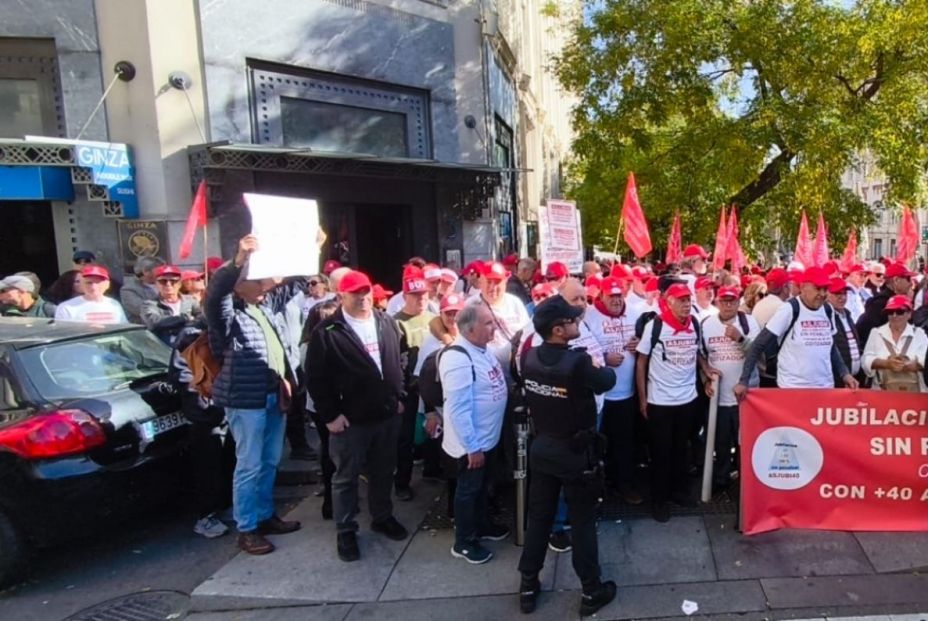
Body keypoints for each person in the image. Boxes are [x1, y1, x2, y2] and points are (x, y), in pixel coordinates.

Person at [517, 295, 617, 616]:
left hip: (543, 447)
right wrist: (596, 364)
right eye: (573, 321)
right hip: (574, 453)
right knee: (582, 522)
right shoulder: (578, 362)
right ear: (559, 330)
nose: (578, 323)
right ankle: (591, 590)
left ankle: (528, 585)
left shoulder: (529, 356)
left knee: (539, 519)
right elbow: (607, 381)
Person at [205, 236, 304, 556]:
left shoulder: (262, 307)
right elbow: (215, 292)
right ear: (239, 284)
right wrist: (238, 259)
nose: (265, 285)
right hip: (246, 401)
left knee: (270, 460)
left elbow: (293, 282)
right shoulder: (227, 314)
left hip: (273, 397)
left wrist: (309, 249)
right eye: (256, 279)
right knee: (249, 464)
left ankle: (264, 515)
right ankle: (246, 528)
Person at [306, 270, 409, 563]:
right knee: (346, 477)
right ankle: (346, 529)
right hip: (350, 421)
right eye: (355, 293)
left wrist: (399, 397)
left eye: (366, 291)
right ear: (341, 296)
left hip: (386, 415)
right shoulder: (327, 332)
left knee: (382, 470)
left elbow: (397, 362)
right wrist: (330, 415)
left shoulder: (385, 321)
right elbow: (316, 379)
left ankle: (382, 516)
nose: (363, 297)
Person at [636, 283, 719, 522]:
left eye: (688, 299)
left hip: (687, 399)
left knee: (681, 449)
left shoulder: (693, 323)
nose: (685, 304)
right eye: (680, 300)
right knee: (661, 453)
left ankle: (678, 493)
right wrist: (643, 399)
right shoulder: (656, 326)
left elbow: (697, 352)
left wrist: (706, 368)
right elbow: (641, 362)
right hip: (660, 401)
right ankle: (659, 500)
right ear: (669, 302)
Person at [439, 303, 510, 564]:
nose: (494, 326)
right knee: (468, 491)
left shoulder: (482, 349)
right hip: (471, 445)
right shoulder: (458, 357)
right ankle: (465, 541)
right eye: (488, 323)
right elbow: (458, 409)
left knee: (481, 488)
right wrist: (472, 446)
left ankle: (482, 526)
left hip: (487, 439)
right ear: (470, 329)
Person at [735, 267, 858, 398]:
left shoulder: (828, 310)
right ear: (803, 287)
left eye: (825, 289)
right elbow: (759, 345)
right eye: (818, 288)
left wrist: (845, 374)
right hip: (793, 389)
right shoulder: (789, 309)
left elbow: (831, 347)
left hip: (824, 388)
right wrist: (744, 381)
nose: (822, 294)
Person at [584, 276, 642, 504]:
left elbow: (645, 341)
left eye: (619, 295)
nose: (617, 300)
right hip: (600, 397)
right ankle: (597, 489)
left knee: (624, 443)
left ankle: (624, 485)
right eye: (612, 296)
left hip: (627, 393)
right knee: (597, 444)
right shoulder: (589, 316)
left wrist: (639, 343)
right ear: (601, 296)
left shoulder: (635, 313)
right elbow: (579, 351)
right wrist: (604, 358)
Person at [699, 286, 759, 494]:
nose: (727, 305)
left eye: (732, 301)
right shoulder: (706, 325)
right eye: (723, 301)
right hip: (719, 399)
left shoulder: (750, 323)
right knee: (720, 443)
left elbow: (760, 359)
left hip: (747, 397)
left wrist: (741, 339)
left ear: (738, 301)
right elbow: (701, 356)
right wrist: (706, 378)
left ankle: (746, 483)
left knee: (745, 443)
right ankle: (722, 480)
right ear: (716, 302)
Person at [393, 266, 437, 500]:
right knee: (405, 437)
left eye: (423, 295)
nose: (420, 299)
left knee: (434, 430)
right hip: (408, 388)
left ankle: (432, 469)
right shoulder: (395, 322)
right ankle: (402, 481)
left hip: (431, 386)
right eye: (415, 295)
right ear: (405, 296)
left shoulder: (434, 318)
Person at [300, 299, 340, 519]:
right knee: (330, 451)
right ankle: (330, 499)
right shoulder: (309, 347)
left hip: (328, 404)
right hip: (322, 406)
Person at [861, 295, 927, 392]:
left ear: (909, 314)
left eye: (899, 312)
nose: (894, 316)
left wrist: (913, 364)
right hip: (882, 393)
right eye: (890, 312)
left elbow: (925, 358)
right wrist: (886, 364)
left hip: (914, 394)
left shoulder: (919, 333)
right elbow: (865, 360)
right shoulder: (877, 333)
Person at [856, 262, 915, 347]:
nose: (911, 284)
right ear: (896, 280)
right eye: (908, 278)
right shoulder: (881, 303)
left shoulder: (887, 300)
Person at [140, 265, 202, 345]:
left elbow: (201, 318)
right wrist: (185, 318)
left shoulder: (190, 300)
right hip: (163, 348)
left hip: (190, 345)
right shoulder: (149, 304)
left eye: (173, 281)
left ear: (179, 284)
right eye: (163, 281)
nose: (168, 284)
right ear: (156, 284)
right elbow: (155, 323)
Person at [54, 265, 127, 324]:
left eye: (98, 282)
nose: (94, 287)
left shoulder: (114, 304)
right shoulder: (66, 308)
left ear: (107, 285)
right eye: (89, 283)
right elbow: (63, 334)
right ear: (82, 284)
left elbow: (124, 328)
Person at [827, 278, 863, 387]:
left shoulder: (847, 315)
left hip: (853, 378)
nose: (841, 297)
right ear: (827, 294)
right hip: (836, 380)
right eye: (837, 293)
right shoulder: (826, 316)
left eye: (844, 293)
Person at [121, 255, 165, 323]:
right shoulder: (129, 290)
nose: (163, 272)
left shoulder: (166, 283)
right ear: (146, 271)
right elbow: (142, 310)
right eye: (159, 270)